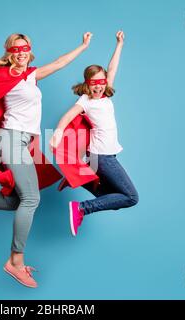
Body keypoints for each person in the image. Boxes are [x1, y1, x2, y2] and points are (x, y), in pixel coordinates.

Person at [0, 32, 92, 288]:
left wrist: (83, 46)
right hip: (11, 139)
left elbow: (58, 63)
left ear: (30, 51)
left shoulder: (31, 76)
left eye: (25, 49)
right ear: (9, 53)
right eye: (16, 49)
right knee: (31, 199)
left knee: (16, 201)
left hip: (26, 142)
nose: (22, 53)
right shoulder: (4, 77)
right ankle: (15, 261)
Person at [50, 31, 138, 237]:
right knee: (131, 197)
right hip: (102, 157)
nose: (99, 86)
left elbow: (112, 68)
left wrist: (119, 45)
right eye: (94, 83)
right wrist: (57, 132)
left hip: (106, 156)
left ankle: (83, 178)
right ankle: (81, 208)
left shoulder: (106, 96)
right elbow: (67, 116)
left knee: (113, 198)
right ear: (87, 84)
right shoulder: (85, 101)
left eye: (102, 82)